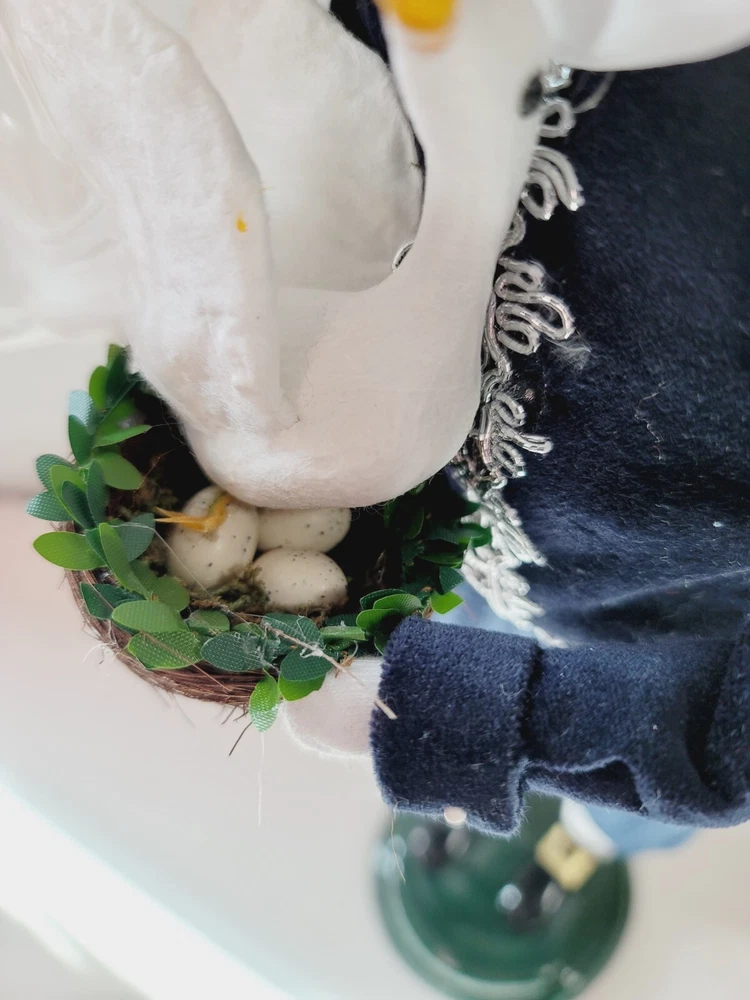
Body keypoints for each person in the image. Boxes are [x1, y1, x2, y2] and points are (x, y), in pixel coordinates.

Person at [286, 1, 750, 841]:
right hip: (511, 542)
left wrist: (445, 718)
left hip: (623, 605)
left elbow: (720, 747)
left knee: (621, 830)